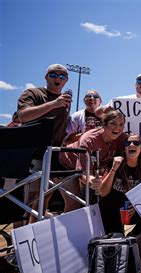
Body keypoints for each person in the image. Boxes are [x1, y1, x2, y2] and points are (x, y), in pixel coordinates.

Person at [13, 64, 72, 223]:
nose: (57, 78)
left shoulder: (65, 101)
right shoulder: (33, 93)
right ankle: (20, 239)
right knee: (30, 199)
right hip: (32, 154)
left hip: (53, 154)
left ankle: (34, 233)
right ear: (46, 77)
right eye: (53, 75)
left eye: (62, 76)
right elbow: (23, 116)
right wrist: (53, 104)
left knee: (44, 196)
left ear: (66, 80)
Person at [60, 110, 128, 212]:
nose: (117, 128)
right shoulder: (89, 140)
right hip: (65, 166)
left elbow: (137, 146)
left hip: (90, 170)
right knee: (74, 204)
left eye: (121, 124)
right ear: (103, 124)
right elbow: (82, 173)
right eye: (113, 123)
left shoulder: (122, 138)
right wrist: (93, 181)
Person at [95, 134, 141, 235]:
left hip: (132, 216)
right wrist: (114, 169)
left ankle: (130, 234)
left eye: (136, 143)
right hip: (111, 215)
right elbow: (103, 192)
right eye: (128, 143)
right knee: (118, 238)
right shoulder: (114, 164)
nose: (132, 145)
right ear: (124, 149)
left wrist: (137, 208)